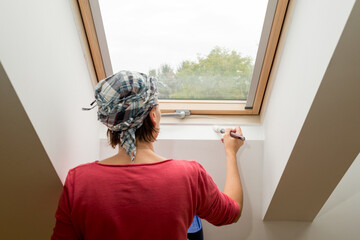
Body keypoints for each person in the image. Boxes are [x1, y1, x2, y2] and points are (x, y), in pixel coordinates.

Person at [51, 70, 244, 240]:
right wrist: (231, 152)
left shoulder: (78, 181)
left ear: (110, 122)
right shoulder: (189, 175)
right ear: (152, 115)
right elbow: (232, 212)